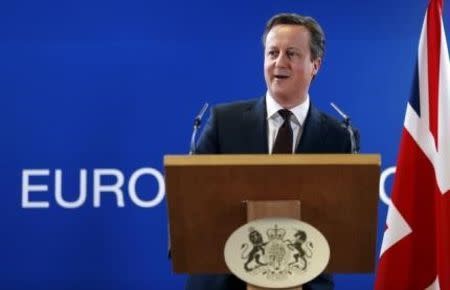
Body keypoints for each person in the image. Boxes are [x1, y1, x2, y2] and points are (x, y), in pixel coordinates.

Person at [186, 12, 352, 290]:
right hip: (222, 281)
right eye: (272, 52)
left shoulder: (338, 137)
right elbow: (190, 197)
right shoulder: (224, 122)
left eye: (292, 54)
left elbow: (343, 220)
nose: (279, 62)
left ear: (315, 65)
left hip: (306, 281)